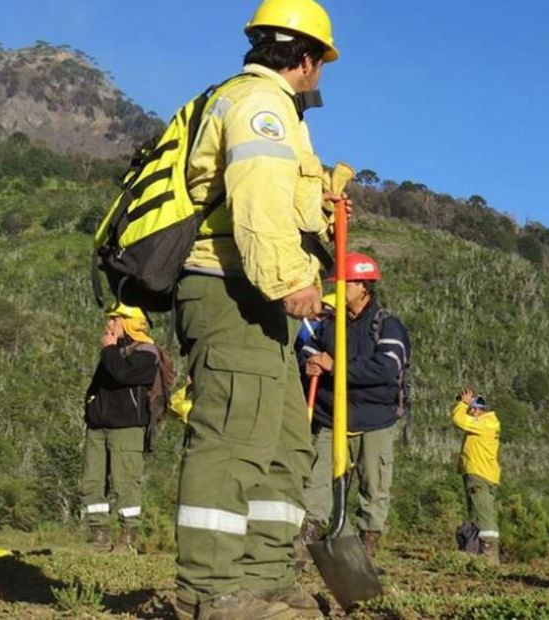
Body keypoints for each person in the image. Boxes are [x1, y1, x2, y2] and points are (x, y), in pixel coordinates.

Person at [171, 0, 342, 616]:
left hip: (254, 296)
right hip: (230, 288)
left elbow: (283, 202)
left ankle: (265, 577)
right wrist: (290, 279)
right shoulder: (261, 107)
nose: (320, 74)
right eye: (321, 62)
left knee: (285, 442)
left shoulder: (264, 108)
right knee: (233, 438)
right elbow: (257, 203)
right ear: (305, 58)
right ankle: (208, 593)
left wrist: (323, 207)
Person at [300, 252, 410, 568]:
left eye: (346, 283)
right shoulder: (330, 324)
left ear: (363, 286)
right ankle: (305, 546)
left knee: (373, 487)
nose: (340, 288)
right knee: (316, 482)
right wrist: (309, 361)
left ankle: (364, 552)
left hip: (374, 419)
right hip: (329, 415)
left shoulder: (388, 326)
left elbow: (386, 369)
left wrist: (336, 366)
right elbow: (310, 348)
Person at [79, 303, 159, 554]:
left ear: (128, 322)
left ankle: (128, 538)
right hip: (98, 426)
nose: (109, 324)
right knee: (91, 481)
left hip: (127, 428)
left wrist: (110, 349)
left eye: (114, 319)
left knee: (125, 482)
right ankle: (99, 536)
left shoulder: (147, 353)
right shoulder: (112, 351)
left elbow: (121, 375)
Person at [453, 388, 501, 564]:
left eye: (470, 409)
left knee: (483, 513)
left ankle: (489, 555)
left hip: (479, 473)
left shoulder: (485, 423)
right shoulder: (486, 424)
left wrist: (462, 403)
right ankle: (474, 551)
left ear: (476, 410)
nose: (468, 412)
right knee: (477, 513)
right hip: (481, 472)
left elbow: (459, 420)